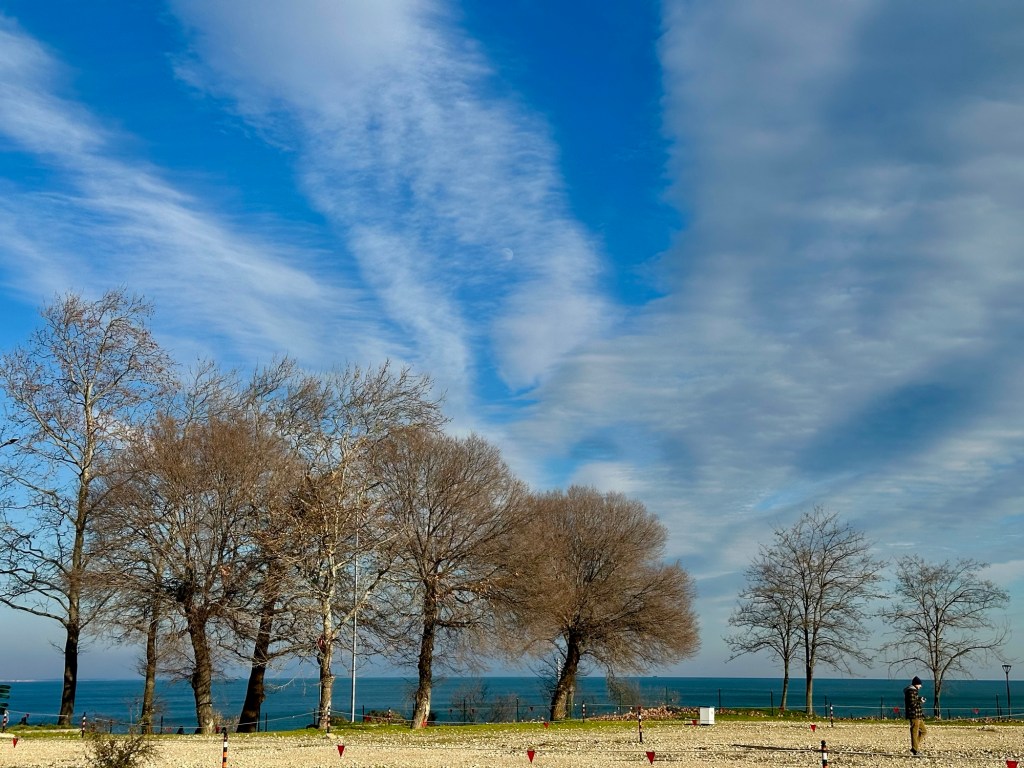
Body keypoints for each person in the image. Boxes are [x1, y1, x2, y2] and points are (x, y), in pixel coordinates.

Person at [903, 676, 927, 755]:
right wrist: (920, 700)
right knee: (914, 731)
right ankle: (915, 750)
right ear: (916, 684)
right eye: (920, 684)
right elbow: (912, 703)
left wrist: (919, 699)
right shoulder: (911, 691)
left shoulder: (914, 691)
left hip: (918, 715)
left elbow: (913, 700)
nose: (921, 686)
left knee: (923, 731)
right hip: (914, 715)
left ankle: (914, 747)